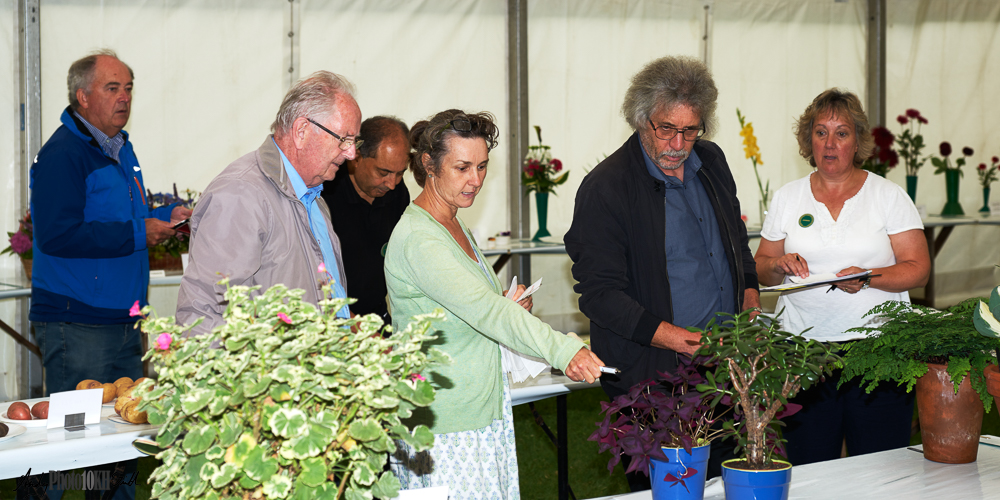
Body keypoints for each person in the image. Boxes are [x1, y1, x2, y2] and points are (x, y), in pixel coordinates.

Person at [385, 109, 604, 497]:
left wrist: (507, 307)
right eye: (463, 167)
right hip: (442, 424)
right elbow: (487, 312)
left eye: (482, 167)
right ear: (428, 165)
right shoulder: (421, 238)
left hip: (474, 411)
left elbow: (475, 307)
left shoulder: (451, 221)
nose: (475, 180)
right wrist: (565, 349)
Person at [564, 55, 759, 489]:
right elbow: (600, 295)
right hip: (653, 378)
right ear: (640, 120)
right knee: (672, 489)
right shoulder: (607, 188)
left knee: (726, 481)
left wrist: (749, 301)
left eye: (690, 130)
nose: (678, 143)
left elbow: (735, 242)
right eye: (666, 128)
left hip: (724, 366)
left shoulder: (711, 162)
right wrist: (681, 340)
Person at [29, 49, 190, 500]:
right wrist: (140, 232)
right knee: (65, 444)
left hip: (121, 318)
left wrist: (163, 214)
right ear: (82, 96)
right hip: (77, 320)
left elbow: (119, 217)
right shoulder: (64, 154)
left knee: (119, 441)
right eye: (112, 88)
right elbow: (57, 235)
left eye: (129, 87)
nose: (124, 97)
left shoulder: (121, 149)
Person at [753, 88, 930, 465]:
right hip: (802, 354)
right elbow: (761, 268)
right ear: (808, 140)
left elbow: (918, 269)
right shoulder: (788, 197)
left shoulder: (888, 196)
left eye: (842, 133)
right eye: (821, 132)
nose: (830, 143)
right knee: (809, 468)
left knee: (883, 468)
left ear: (858, 141)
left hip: (879, 351)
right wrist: (779, 265)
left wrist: (869, 277)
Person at [177, 71, 359, 334]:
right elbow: (204, 314)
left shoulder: (314, 198)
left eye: (354, 141)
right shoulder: (240, 195)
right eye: (344, 139)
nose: (351, 153)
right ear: (301, 131)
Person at [321, 116, 410, 325]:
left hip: (377, 317)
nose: (392, 184)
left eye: (400, 173)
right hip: (333, 319)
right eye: (384, 172)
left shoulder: (397, 194)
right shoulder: (327, 193)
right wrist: (350, 322)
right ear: (356, 157)